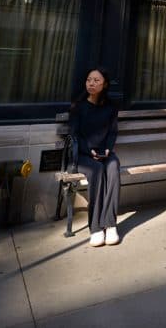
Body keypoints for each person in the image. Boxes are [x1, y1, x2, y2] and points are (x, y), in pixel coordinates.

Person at [69, 67, 121, 247]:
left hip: (103, 153)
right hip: (83, 155)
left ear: (104, 84)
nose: (91, 83)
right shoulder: (78, 107)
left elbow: (112, 132)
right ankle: (96, 228)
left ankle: (111, 224)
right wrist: (89, 150)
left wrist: (107, 149)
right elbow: (74, 135)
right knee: (97, 169)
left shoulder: (111, 108)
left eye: (96, 80)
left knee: (113, 166)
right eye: (89, 79)